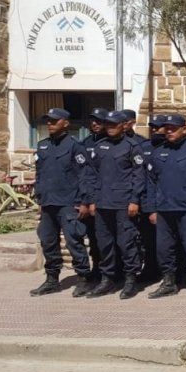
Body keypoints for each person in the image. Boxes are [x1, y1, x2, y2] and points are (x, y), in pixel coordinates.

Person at [29, 108, 97, 297]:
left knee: (74, 241)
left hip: (69, 203)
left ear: (65, 123)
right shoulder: (43, 146)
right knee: (47, 241)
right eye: (48, 121)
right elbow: (40, 174)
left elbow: (84, 176)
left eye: (54, 121)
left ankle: (84, 278)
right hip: (48, 203)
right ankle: (52, 280)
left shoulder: (75, 146)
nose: (49, 124)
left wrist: (84, 202)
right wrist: (40, 198)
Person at [146, 114, 186, 300]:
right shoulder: (158, 152)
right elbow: (151, 182)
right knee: (163, 249)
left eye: (173, 128)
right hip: (163, 209)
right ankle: (169, 283)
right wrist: (152, 209)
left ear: (184, 128)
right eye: (167, 128)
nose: (169, 131)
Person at [86, 110, 146, 299]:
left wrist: (134, 200)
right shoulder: (100, 146)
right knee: (104, 244)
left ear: (123, 126)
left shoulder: (132, 146)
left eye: (114, 124)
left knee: (126, 243)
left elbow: (139, 176)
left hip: (123, 203)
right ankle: (107, 279)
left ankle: (130, 280)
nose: (110, 128)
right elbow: (92, 175)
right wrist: (92, 200)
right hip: (102, 203)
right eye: (108, 125)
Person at [81, 108, 109, 282]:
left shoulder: (114, 142)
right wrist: (86, 200)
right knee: (93, 237)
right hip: (89, 198)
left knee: (111, 239)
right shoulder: (85, 143)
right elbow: (83, 173)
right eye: (92, 120)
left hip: (109, 199)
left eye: (98, 121)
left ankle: (113, 272)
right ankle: (97, 269)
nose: (94, 124)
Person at [139, 114, 167, 282]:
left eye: (158, 127)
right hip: (147, 200)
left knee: (170, 240)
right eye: (153, 127)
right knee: (148, 239)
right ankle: (150, 269)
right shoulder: (144, 147)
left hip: (167, 200)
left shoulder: (171, 147)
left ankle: (171, 272)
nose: (155, 130)